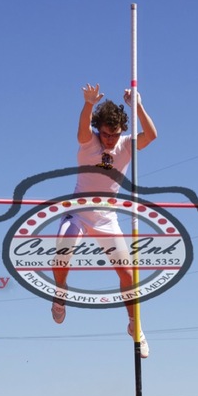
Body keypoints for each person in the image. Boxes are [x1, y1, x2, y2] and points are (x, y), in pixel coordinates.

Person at [50, 83, 158, 358]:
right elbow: (82, 129)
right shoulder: (89, 141)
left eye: (115, 134)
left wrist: (138, 106)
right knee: (63, 251)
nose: (110, 140)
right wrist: (88, 104)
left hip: (106, 218)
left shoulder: (126, 145)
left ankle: (136, 326)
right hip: (78, 210)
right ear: (100, 128)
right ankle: (60, 294)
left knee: (127, 274)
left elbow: (152, 136)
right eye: (106, 134)